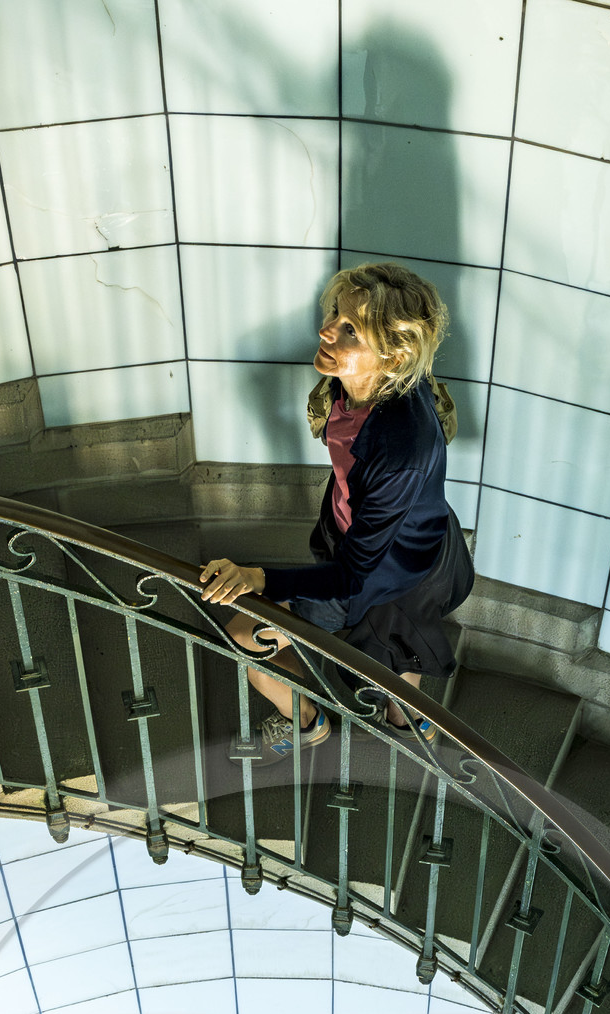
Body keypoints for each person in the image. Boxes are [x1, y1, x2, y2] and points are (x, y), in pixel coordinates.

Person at [199, 261, 474, 754]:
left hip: (393, 570)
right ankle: (401, 721)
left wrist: (257, 577)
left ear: (391, 357)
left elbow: (353, 576)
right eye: (334, 313)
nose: (326, 329)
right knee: (400, 647)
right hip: (402, 543)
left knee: (246, 633)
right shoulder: (364, 385)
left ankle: (313, 725)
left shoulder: (401, 448)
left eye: (350, 329)